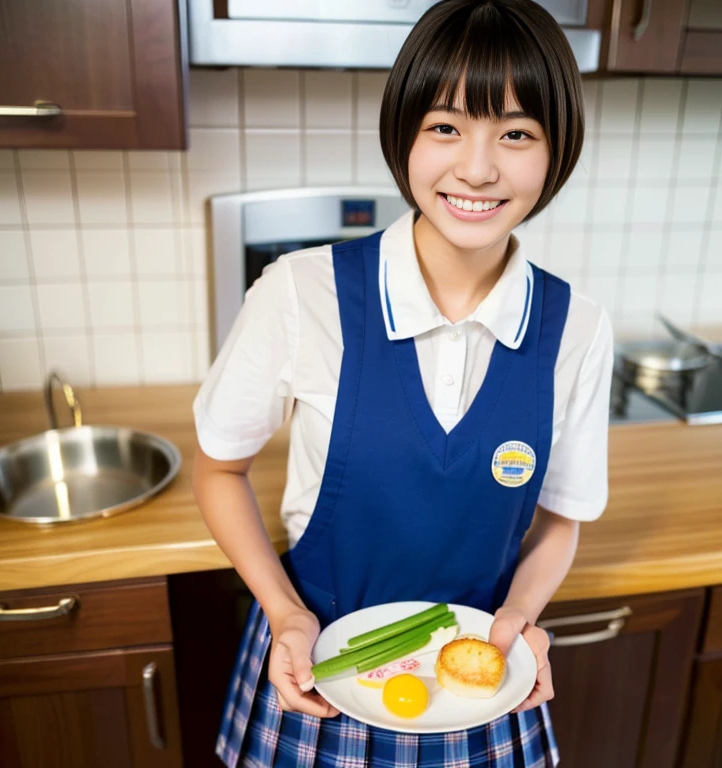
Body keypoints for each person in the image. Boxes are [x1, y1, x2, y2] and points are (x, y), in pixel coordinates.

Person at [192, 0, 613, 765]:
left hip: (475, 678)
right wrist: (285, 613)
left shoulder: (577, 328)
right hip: (319, 669)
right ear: (405, 137)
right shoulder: (299, 292)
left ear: (556, 152)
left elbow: (561, 521)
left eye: (516, 133)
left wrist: (518, 618)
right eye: (446, 126)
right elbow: (219, 467)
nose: (478, 168)